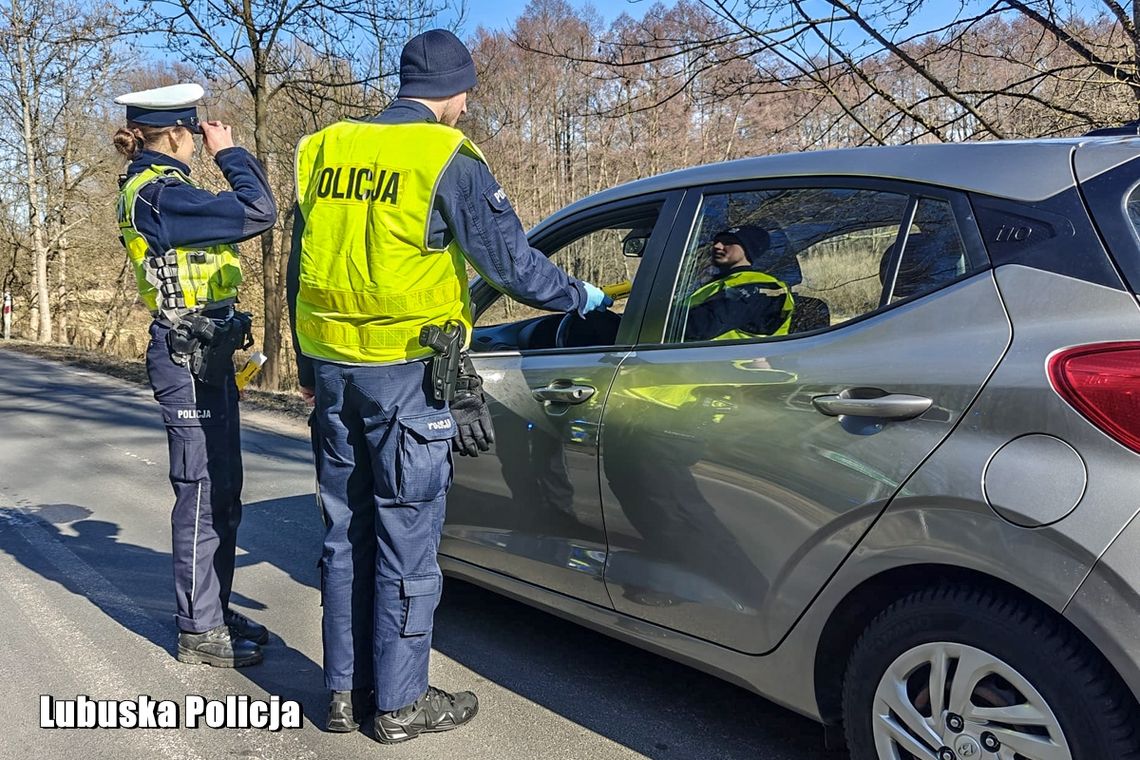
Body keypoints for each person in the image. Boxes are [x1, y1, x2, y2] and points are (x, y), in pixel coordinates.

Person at [288, 29, 612, 744]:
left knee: (346, 533)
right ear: (456, 94)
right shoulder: (447, 159)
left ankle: (344, 693)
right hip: (406, 375)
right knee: (406, 538)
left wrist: (309, 368)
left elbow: (297, 268)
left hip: (336, 371)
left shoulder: (324, 149)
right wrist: (580, 298)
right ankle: (401, 704)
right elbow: (512, 267)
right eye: (465, 97)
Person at [113, 83, 277, 667]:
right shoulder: (158, 195)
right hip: (186, 356)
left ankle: (214, 605)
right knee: (202, 490)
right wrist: (229, 153)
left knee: (223, 490)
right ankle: (198, 627)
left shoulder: (172, 190)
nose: (201, 138)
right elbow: (259, 210)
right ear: (181, 133)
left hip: (208, 352)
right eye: (197, 131)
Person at [685, 225, 795, 341]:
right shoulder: (716, 284)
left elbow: (700, 327)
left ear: (748, 249)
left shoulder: (761, 287)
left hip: (731, 358)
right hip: (695, 356)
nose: (717, 246)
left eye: (728, 242)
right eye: (716, 242)